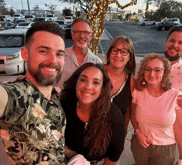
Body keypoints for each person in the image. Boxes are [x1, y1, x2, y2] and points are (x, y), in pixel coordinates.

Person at [0, 22, 66, 164]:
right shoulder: (19, 96)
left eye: (59, 54)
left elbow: (56, 143)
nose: (53, 60)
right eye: (43, 51)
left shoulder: (54, 95)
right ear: (25, 54)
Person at [130, 53, 182, 165]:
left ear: (165, 72)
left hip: (165, 149)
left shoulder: (176, 96)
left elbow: (180, 128)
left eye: (157, 70)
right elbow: (132, 115)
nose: (152, 74)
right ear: (143, 71)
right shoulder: (137, 93)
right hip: (140, 144)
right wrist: (138, 132)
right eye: (148, 69)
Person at [60, 63, 125, 165]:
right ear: (76, 82)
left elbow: (113, 156)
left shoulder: (113, 115)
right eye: (83, 80)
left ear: (102, 88)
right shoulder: (65, 105)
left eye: (96, 82)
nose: (88, 86)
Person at [57, 17, 102, 90]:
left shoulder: (97, 62)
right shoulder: (60, 57)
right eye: (77, 32)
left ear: (91, 36)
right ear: (72, 35)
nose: (81, 36)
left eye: (86, 32)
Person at [105, 36, 136, 134]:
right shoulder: (97, 72)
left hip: (116, 134)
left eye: (123, 52)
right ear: (110, 53)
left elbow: (128, 110)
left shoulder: (131, 81)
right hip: (90, 131)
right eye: (115, 50)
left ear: (129, 57)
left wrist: (125, 128)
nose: (118, 55)